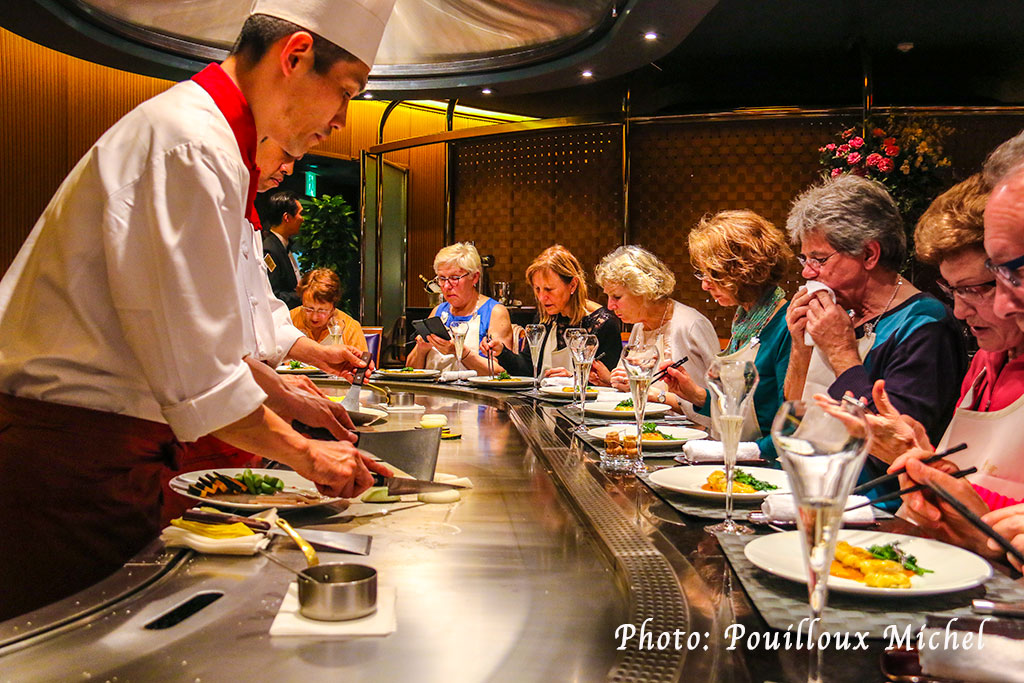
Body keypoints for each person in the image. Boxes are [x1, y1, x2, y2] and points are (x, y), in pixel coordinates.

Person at [0, 0, 397, 619]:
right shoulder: (191, 144)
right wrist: (308, 453)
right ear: (295, 57)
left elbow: (213, 345)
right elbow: (202, 379)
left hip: (110, 449)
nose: (342, 121)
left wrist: (294, 407)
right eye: (344, 93)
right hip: (70, 459)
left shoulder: (211, 140)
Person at [783, 174, 966, 497]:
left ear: (869, 254)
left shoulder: (925, 325)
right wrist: (800, 347)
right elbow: (792, 417)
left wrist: (841, 353)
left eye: (819, 259)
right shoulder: (843, 314)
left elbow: (895, 451)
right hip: (808, 483)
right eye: (805, 258)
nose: (807, 272)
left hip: (875, 508)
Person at [658, 211, 794, 459]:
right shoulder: (743, 319)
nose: (705, 285)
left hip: (766, 470)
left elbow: (794, 425)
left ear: (745, 270)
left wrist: (744, 452)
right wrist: (695, 394)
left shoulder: (787, 325)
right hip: (735, 459)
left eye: (714, 274)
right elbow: (736, 407)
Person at [598, 245, 720, 421]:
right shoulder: (639, 327)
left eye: (617, 297)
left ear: (642, 290)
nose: (610, 306)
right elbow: (632, 390)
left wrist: (653, 394)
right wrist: (616, 380)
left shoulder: (691, 325)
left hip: (692, 439)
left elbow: (718, 404)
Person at [479, 245, 621, 379]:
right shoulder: (545, 317)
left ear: (572, 285)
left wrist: (573, 380)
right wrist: (502, 352)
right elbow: (528, 369)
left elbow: (608, 385)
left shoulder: (604, 324)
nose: (542, 297)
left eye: (549, 289)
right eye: (537, 289)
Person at [406, 242, 513, 374]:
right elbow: (410, 370)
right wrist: (421, 350)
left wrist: (459, 351)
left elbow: (501, 372)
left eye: (454, 278)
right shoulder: (438, 311)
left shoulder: (495, 312)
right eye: (442, 279)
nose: (446, 286)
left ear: (474, 277)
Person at [291, 268, 368, 349]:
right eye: (308, 309)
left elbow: (363, 361)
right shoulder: (289, 320)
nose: (314, 317)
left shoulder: (350, 328)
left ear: (333, 307)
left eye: (322, 311)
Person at [262, 190, 304, 308]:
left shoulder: (283, 245)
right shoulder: (270, 250)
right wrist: (303, 295)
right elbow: (274, 295)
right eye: (300, 214)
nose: (302, 219)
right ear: (287, 217)